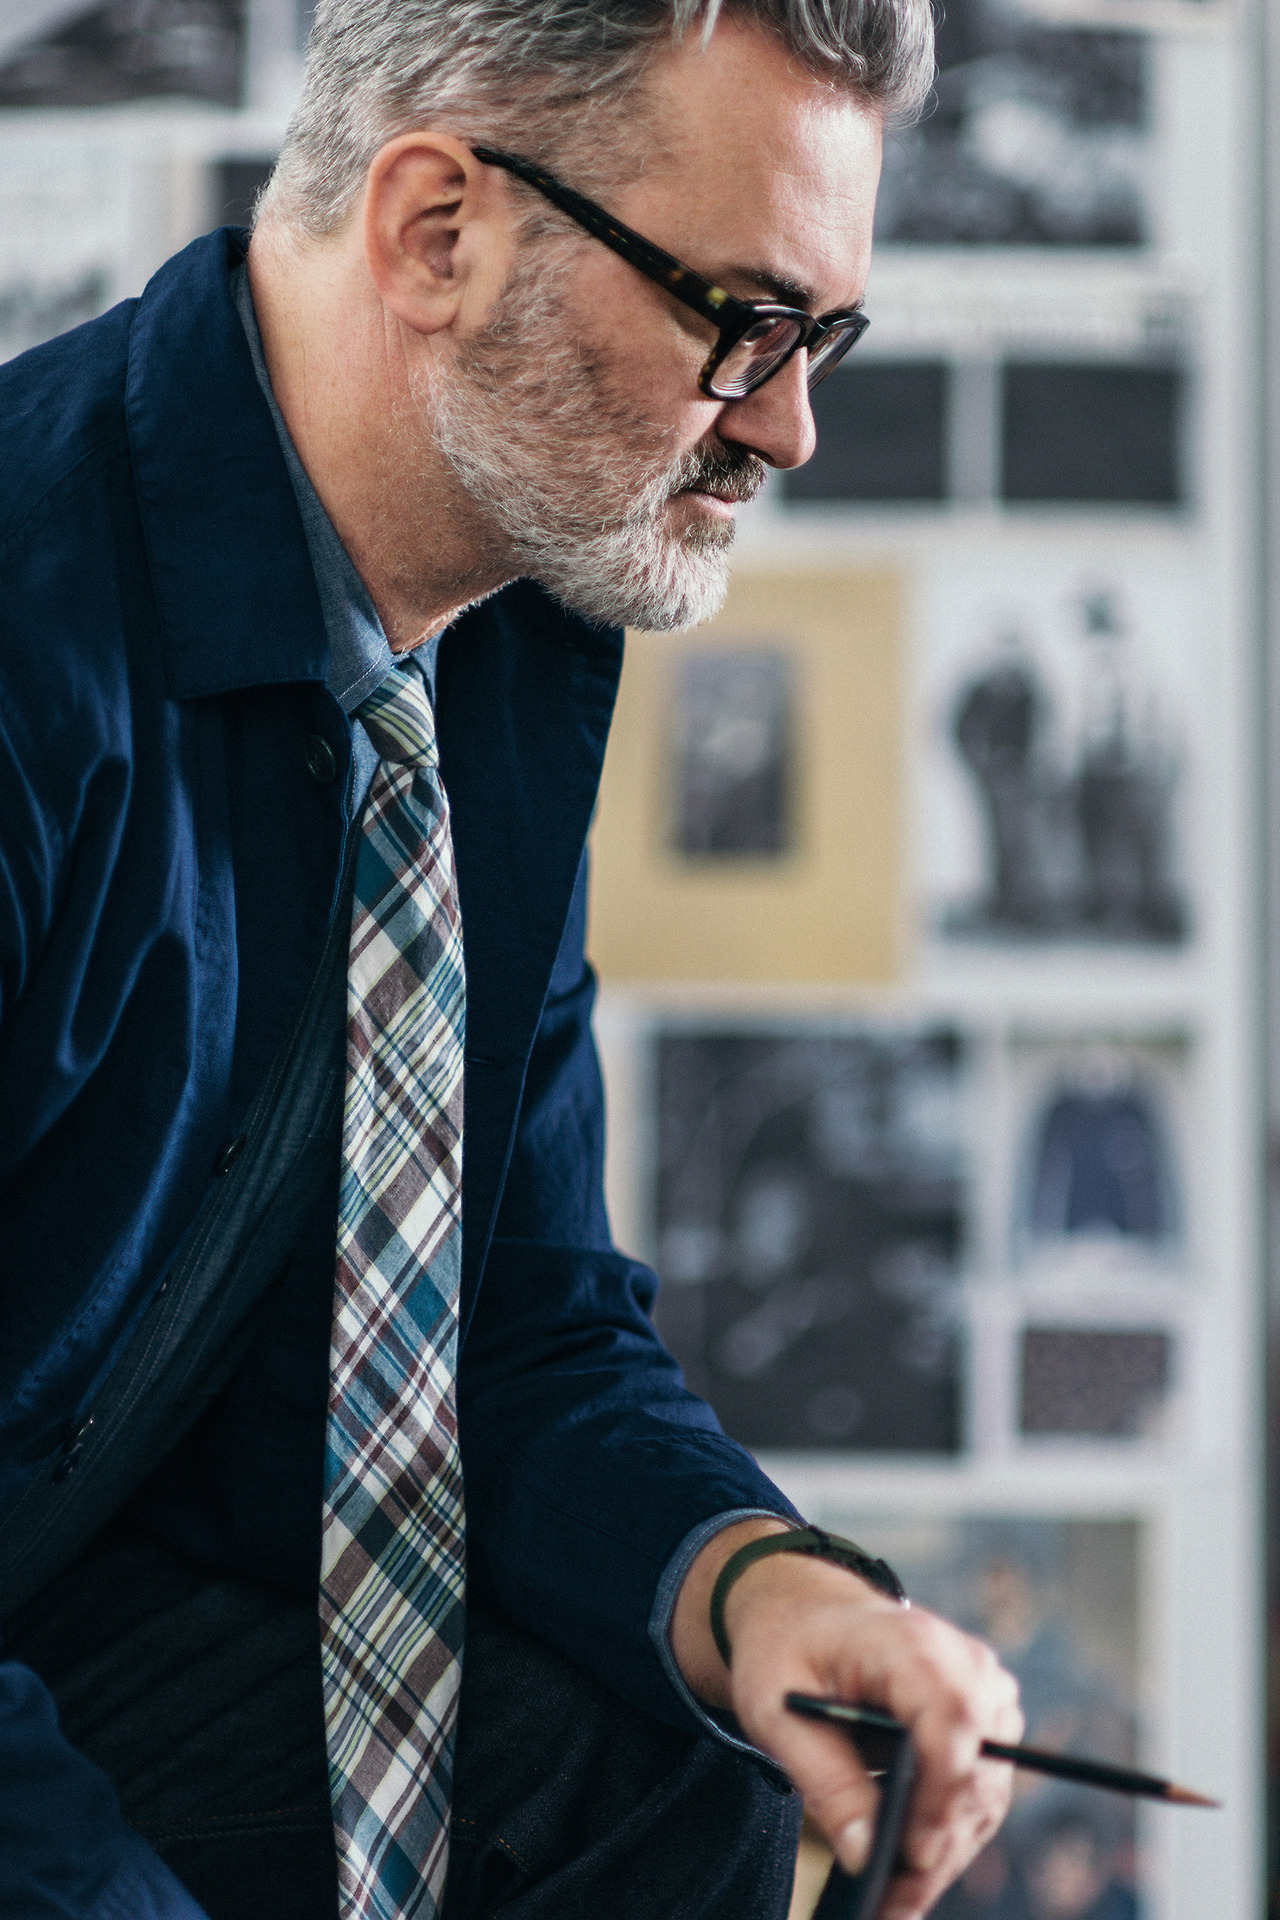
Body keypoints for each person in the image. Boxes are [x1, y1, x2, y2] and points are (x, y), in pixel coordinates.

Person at [0, 3, 1024, 1918]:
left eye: (826, 335)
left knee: (683, 1769)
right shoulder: (25, 635)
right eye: (743, 316)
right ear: (437, 232)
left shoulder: (517, 629)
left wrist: (757, 1586)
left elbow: (517, 1312)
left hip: (94, 1586)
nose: (793, 424)